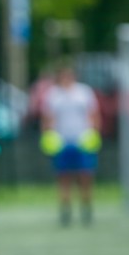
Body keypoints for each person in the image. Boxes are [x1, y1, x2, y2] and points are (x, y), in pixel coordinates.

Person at [41, 60, 101, 226]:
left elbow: (94, 114)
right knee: (63, 178)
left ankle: (86, 209)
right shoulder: (53, 94)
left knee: (85, 176)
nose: (66, 78)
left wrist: (94, 133)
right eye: (63, 75)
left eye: (69, 75)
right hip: (61, 143)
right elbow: (47, 118)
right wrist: (48, 136)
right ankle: (65, 211)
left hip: (83, 141)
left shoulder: (84, 92)